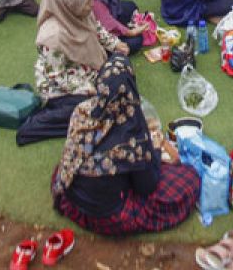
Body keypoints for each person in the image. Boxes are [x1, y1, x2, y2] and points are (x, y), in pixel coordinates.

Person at [52, 55, 200, 236]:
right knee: (189, 178)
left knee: (64, 169)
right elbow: (147, 186)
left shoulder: (82, 110)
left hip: (73, 198)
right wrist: (154, 148)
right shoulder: (131, 129)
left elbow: (76, 151)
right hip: (109, 215)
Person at [35, 0, 128, 103]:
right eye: (87, 1)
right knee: (94, 105)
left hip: (88, 70)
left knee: (122, 64)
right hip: (63, 86)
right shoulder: (52, 38)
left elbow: (97, 29)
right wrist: (86, 88)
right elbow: (57, 77)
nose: (92, 4)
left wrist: (115, 44)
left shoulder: (80, 13)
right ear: (71, 4)